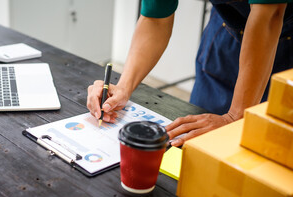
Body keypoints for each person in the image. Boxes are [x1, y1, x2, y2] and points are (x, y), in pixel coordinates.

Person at [87, 0, 293, 147]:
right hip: (228, 33)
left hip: (283, 41)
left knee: (270, 148)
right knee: (195, 136)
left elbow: (270, 15)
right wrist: (124, 86)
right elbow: (156, 19)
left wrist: (234, 116)